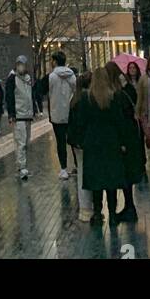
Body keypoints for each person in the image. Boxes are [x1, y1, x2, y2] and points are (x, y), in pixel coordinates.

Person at [68, 66, 137, 227]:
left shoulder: (86, 98)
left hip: (93, 142)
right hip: (111, 141)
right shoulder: (114, 97)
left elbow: (81, 122)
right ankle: (113, 214)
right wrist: (123, 142)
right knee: (110, 180)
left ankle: (98, 213)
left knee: (96, 180)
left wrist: (81, 140)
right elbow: (120, 122)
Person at [106, 60, 141, 221]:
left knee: (121, 172)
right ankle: (129, 206)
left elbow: (117, 117)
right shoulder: (128, 89)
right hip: (131, 134)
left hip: (121, 136)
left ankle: (125, 209)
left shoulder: (116, 94)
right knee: (129, 171)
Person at [68, 71, 94, 221]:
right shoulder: (89, 99)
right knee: (89, 172)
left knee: (81, 173)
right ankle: (89, 207)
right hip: (87, 141)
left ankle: (84, 209)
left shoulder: (74, 99)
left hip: (77, 142)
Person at [47, 50, 77, 179]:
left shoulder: (52, 77)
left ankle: (63, 169)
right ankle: (77, 165)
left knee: (60, 142)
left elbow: (49, 93)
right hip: (71, 112)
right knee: (74, 140)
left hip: (57, 113)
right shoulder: (72, 76)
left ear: (55, 61)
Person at [6, 55, 36, 180]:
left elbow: (30, 95)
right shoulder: (12, 78)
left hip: (27, 115)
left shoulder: (28, 78)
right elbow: (9, 97)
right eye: (19, 63)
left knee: (26, 142)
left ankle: (21, 165)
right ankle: (22, 167)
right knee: (21, 142)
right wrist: (11, 114)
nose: (21, 66)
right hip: (18, 115)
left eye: (22, 64)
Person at [122, 60, 147, 178]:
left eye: (134, 68)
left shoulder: (142, 82)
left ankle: (143, 160)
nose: (132, 70)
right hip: (132, 116)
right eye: (130, 68)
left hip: (143, 113)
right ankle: (139, 162)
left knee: (142, 137)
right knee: (137, 138)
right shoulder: (126, 86)